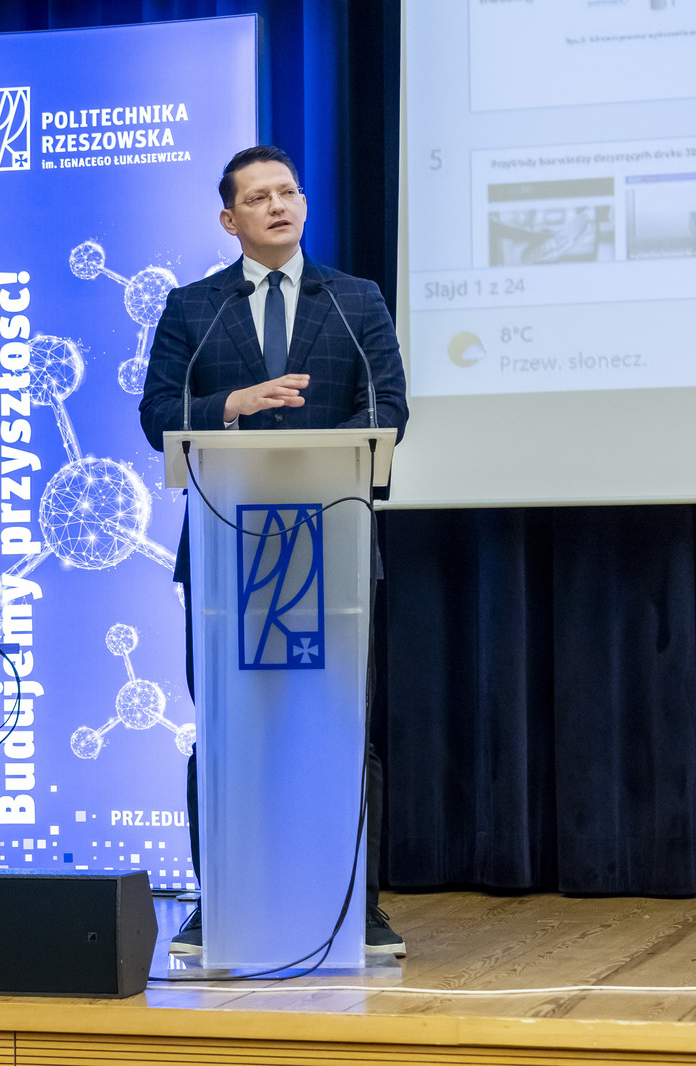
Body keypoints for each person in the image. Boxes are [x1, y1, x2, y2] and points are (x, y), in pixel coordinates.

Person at [137, 145, 410, 958]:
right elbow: (157, 414)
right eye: (258, 198)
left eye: (288, 191)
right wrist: (234, 403)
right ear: (230, 219)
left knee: (343, 728)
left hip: (333, 551)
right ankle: (218, 899)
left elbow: (389, 407)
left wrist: (318, 448)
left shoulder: (354, 300)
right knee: (227, 727)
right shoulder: (195, 307)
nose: (279, 205)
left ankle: (355, 905)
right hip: (229, 551)